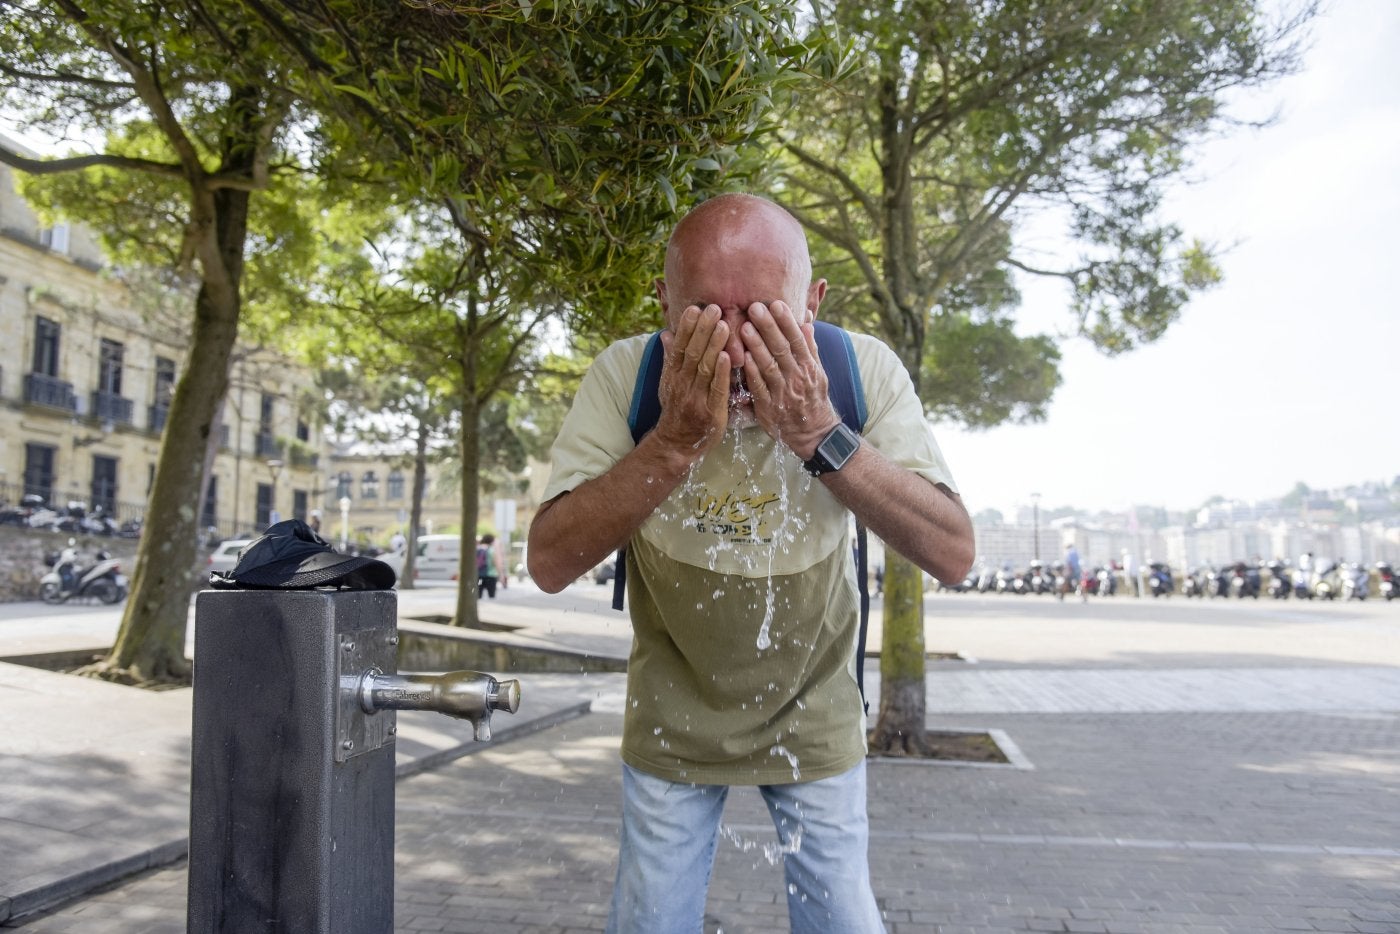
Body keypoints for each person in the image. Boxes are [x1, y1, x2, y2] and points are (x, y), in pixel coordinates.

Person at [527, 193, 975, 933]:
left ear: (813, 302)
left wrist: (819, 432)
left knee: (844, 918)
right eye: (705, 313)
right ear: (663, 302)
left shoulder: (861, 370)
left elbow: (952, 550)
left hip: (815, 706)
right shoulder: (623, 377)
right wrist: (670, 443)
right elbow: (548, 561)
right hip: (675, 710)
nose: (733, 348)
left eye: (763, 315)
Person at [476, 533, 499, 599]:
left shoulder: (478, 548)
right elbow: (495, 562)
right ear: (491, 541)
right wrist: (500, 574)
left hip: (479, 576)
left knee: (478, 595)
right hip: (491, 576)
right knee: (491, 595)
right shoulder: (491, 550)